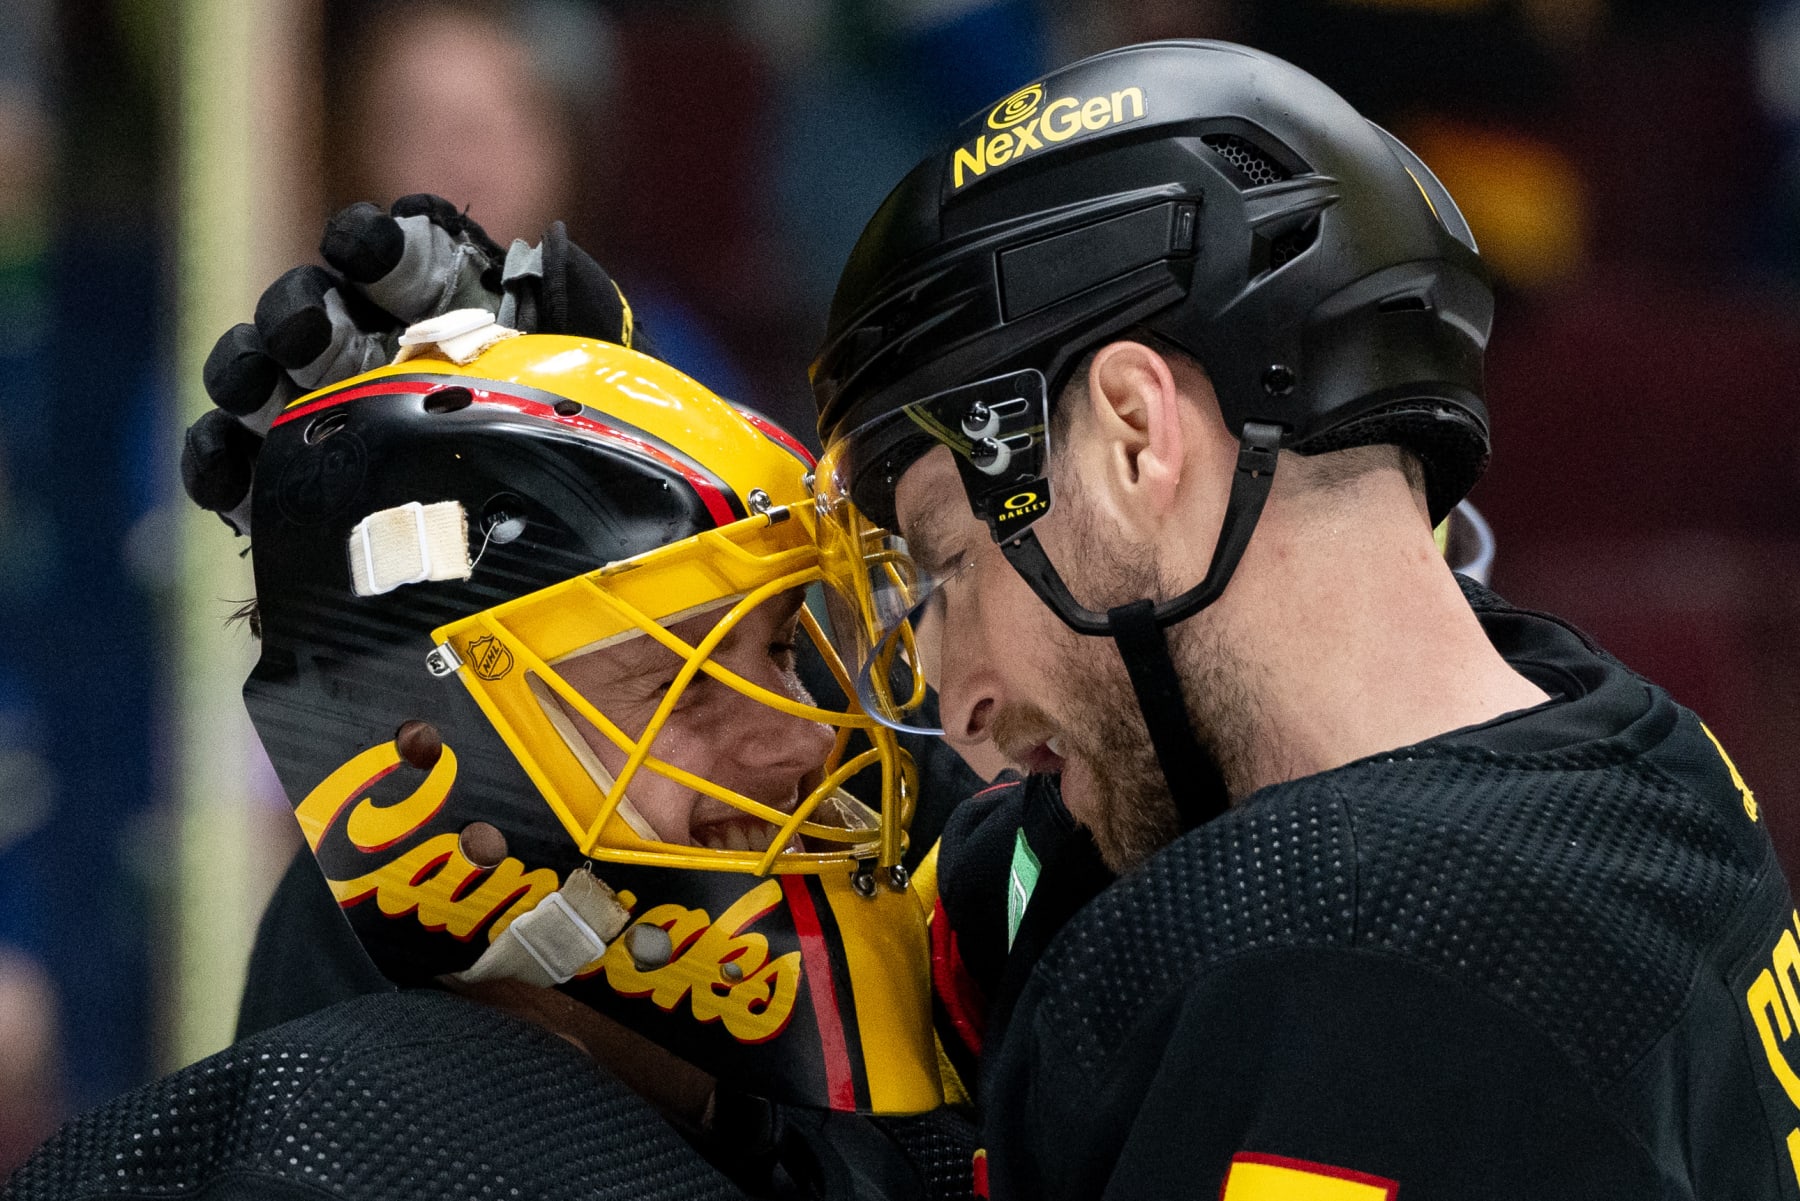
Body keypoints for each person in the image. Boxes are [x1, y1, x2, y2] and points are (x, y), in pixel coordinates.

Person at [807, 39, 1800, 1199]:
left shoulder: (1346, 985)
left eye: (952, 563)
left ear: (1136, 437)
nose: (959, 691)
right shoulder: (1633, 747)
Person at [7, 202, 982, 1201]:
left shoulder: (898, 1082)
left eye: (778, 647)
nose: (805, 742)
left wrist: (592, 424)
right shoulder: (341, 1150)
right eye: (681, 689)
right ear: (431, 762)